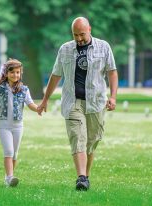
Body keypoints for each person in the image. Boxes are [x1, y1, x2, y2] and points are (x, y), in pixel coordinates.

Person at [38, 17, 118, 191]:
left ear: (89, 29)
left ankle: (86, 176)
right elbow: (56, 75)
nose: (79, 38)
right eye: (76, 35)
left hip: (96, 102)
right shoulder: (65, 49)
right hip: (73, 102)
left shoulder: (103, 47)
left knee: (91, 142)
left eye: (82, 34)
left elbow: (112, 72)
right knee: (78, 138)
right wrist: (45, 99)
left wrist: (113, 97)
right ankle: (81, 177)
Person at [0, 58, 39, 187]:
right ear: (6, 73)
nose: (15, 75)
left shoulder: (24, 89)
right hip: (4, 125)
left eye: (18, 72)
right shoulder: (0, 89)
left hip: (18, 126)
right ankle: (10, 177)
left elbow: (30, 104)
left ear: (20, 74)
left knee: (14, 153)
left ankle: (8, 177)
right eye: (12, 72)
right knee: (8, 151)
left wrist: (38, 108)